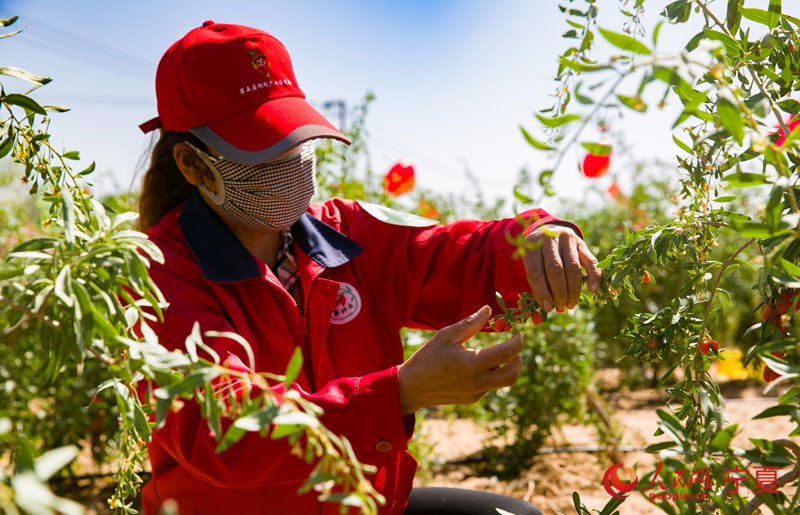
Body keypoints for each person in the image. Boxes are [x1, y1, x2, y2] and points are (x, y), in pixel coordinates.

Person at [135, 21, 601, 515]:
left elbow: (457, 257)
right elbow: (223, 429)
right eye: (260, 152)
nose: (288, 163)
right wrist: (396, 395)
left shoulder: (347, 236)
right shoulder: (158, 274)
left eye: (292, 142)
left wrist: (535, 238)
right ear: (192, 164)